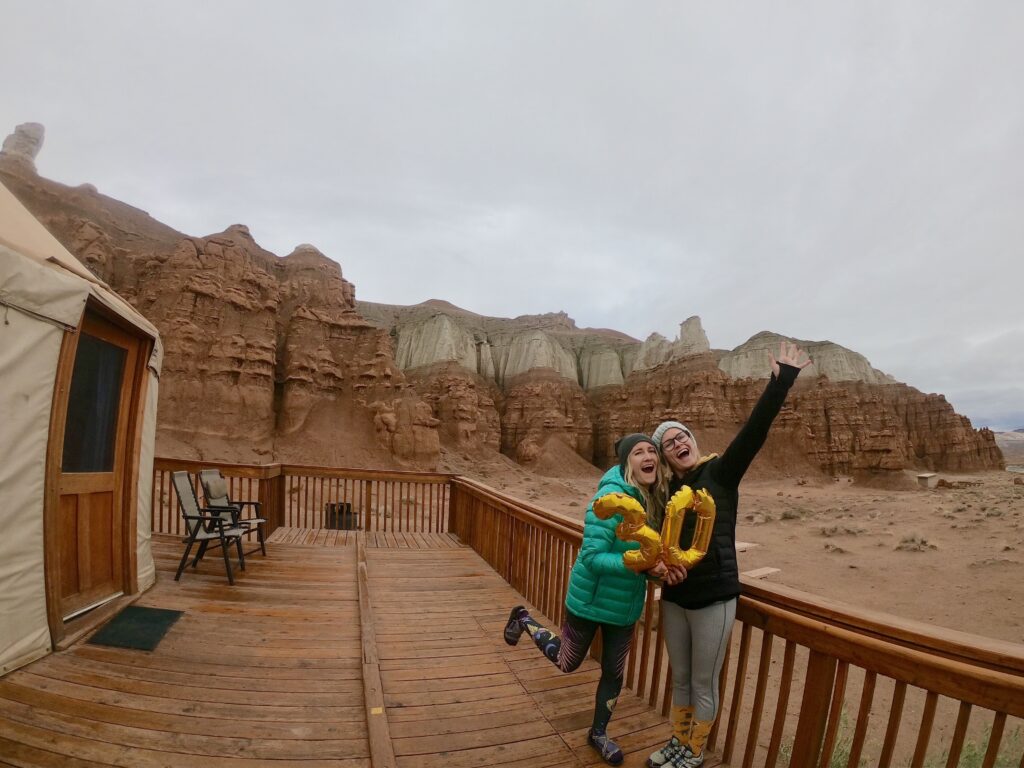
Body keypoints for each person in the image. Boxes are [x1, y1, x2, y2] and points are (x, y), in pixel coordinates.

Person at [647, 341, 811, 768]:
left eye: (683, 436)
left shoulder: (721, 474)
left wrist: (781, 383)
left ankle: (694, 751)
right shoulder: (665, 495)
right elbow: (653, 547)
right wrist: (659, 571)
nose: (679, 442)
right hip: (677, 598)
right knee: (679, 678)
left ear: (693, 441)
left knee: (703, 682)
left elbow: (754, 432)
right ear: (666, 457)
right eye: (669, 443)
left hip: (715, 597)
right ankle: (677, 742)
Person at [504, 433, 677, 766]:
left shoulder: (653, 503)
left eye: (651, 451)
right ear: (627, 463)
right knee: (567, 663)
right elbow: (593, 557)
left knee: (614, 673)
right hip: (588, 601)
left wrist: (657, 569)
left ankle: (598, 733)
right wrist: (639, 564)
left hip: (624, 608)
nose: (647, 456)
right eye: (638, 452)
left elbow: (645, 557)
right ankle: (523, 618)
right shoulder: (608, 500)